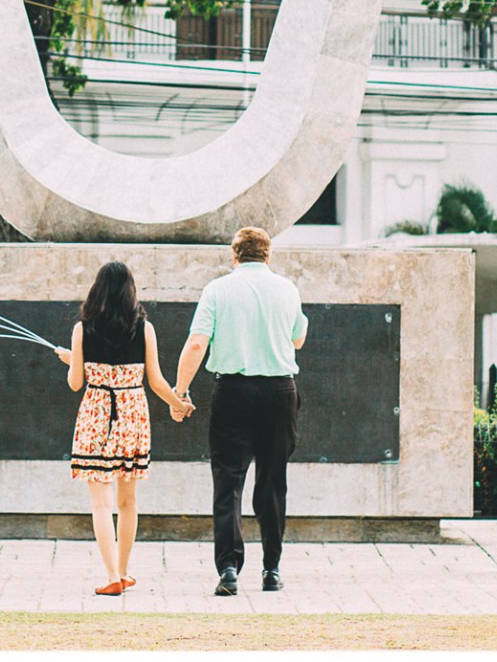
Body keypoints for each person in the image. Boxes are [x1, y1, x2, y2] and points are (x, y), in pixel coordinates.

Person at [170, 226, 308, 596]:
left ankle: (229, 569)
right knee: (273, 482)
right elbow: (298, 338)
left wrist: (179, 392)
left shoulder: (217, 290)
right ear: (268, 255)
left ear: (235, 255)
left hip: (233, 391)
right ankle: (272, 569)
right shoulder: (288, 289)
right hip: (280, 391)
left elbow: (197, 343)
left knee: (228, 482)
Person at [55, 261, 193, 596]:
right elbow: (157, 381)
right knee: (128, 501)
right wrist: (179, 404)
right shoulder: (144, 328)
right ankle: (126, 570)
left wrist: (73, 360)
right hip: (132, 411)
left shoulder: (82, 329)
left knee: (100, 503)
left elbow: (76, 383)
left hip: (96, 413)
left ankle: (112, 575)